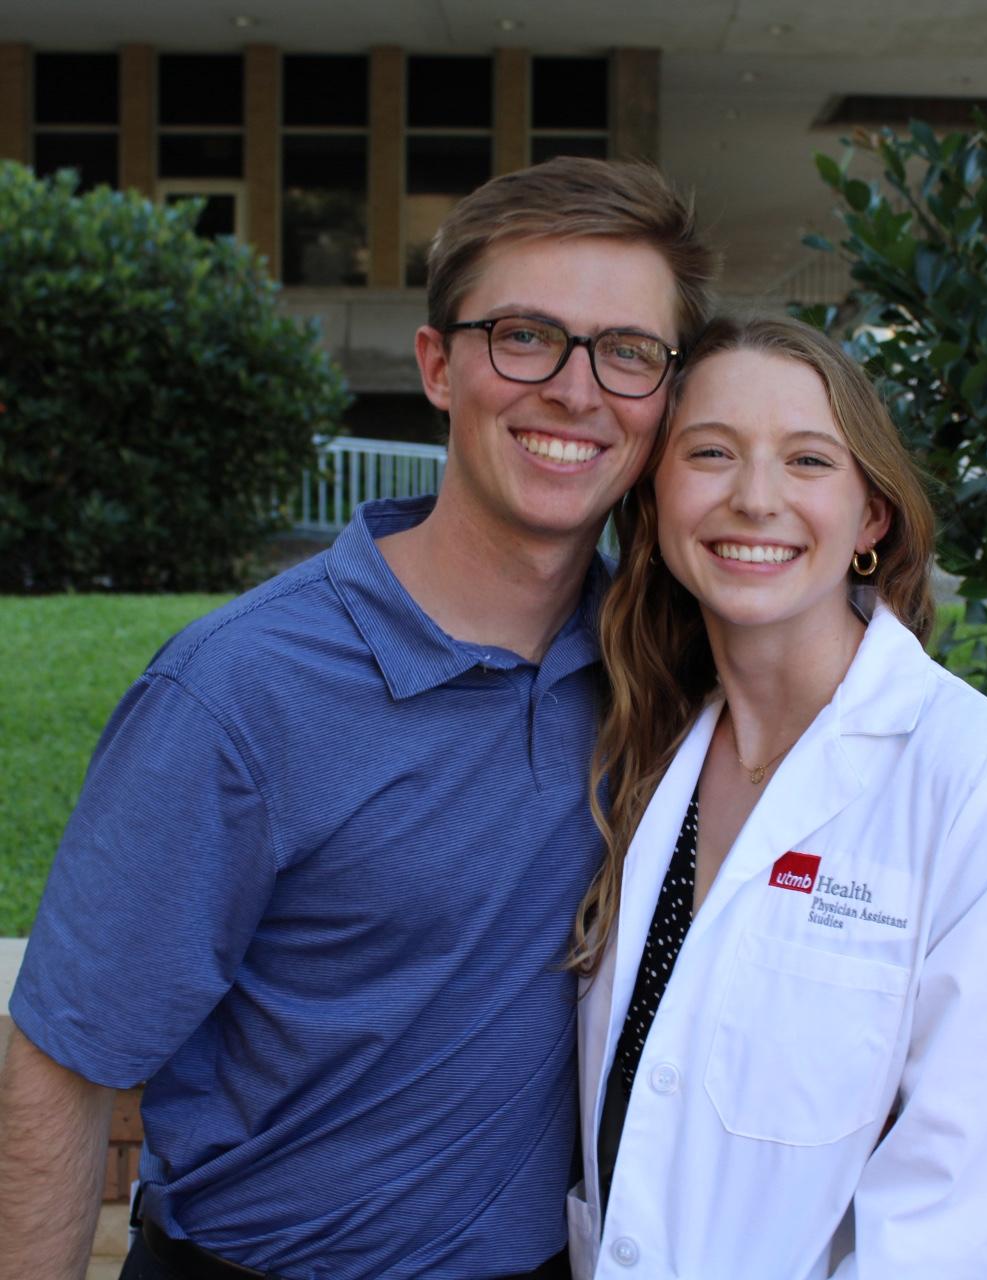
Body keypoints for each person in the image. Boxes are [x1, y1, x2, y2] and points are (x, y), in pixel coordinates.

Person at [0, 156, 715, 1280]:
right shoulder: (237, 690)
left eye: (626, 352)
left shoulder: (660, 658)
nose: (577, 391)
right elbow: (62, 1059)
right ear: (437, 364)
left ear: (665, 395)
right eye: (524, 334)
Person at [564, 316, 987, 1280]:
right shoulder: (639, 745)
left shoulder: (986, 789)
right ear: (657, 496)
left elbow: (946, 1217)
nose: (755, 499)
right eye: (711, 452)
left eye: (808, 460)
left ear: (870, 518)